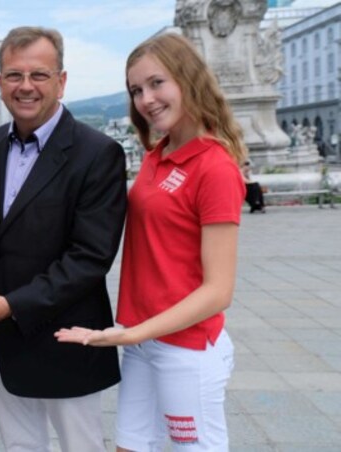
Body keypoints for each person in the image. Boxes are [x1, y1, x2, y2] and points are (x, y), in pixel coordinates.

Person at [55, 33, 246, 451]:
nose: (146, 99)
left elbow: (219, 291)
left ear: (188, 79)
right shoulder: (156, 155)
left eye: (156, 83)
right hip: (142, 338)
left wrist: (124, 336)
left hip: (186, 348)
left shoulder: (214, 167)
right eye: (136, 90)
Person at [0, 27, 127, 452]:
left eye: (39, 75)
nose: (25, 86)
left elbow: (89, 258)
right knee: (20, 446)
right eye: (14, 75)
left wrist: (10, 305)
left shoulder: (98, 153)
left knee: (80, 446)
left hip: (65, 336)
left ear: (61, 81)